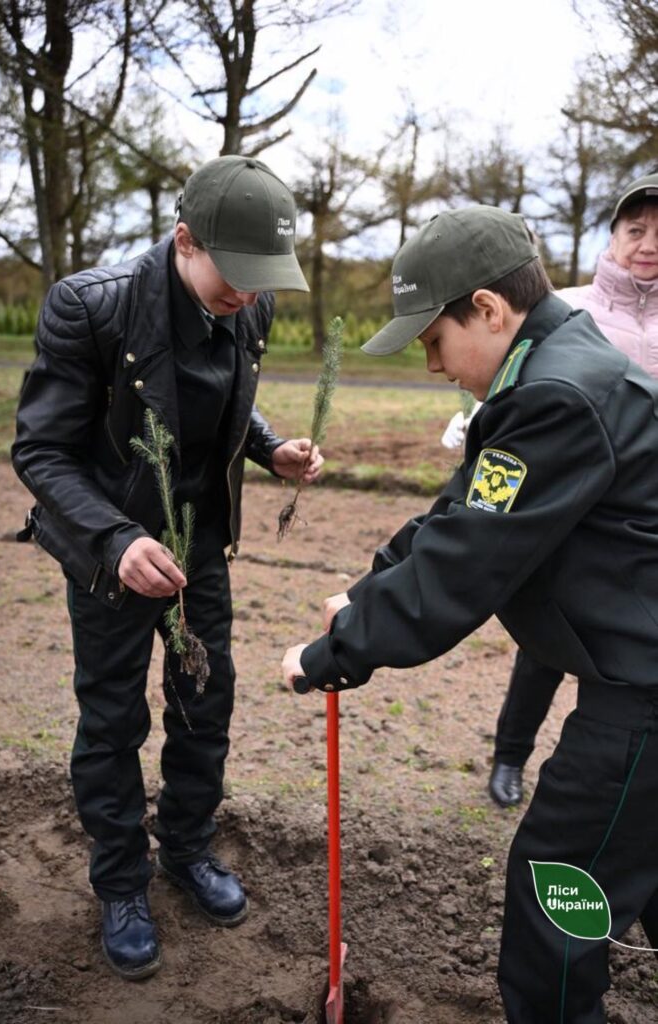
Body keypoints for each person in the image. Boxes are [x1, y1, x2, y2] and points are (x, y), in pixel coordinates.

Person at [282, 204, 658, 1024]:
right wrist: (369, 583)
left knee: (559, 877)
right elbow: (461, 511)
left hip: (645, 691)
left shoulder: (556, 392)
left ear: (486, 310)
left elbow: (466, 567)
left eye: (431, 340)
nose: (429, 365)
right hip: (635, 670)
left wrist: (331, 651)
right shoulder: (554, 367)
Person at [12, 155, 323, 980]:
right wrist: (115, 540)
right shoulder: (93, 306)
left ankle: (185, 850)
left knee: (203, 705)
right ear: (184, 240)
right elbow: (40, 449)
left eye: (264, 281)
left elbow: (220, 395)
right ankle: (120, 883)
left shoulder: (242, 307)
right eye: (237, 276)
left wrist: (267, 446)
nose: (249, 298)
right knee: (112, 722)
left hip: (199, 549)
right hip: (111, 555)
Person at [481, 170, 658, 808]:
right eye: (635, 229)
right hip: (565, 505)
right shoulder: (573, 308)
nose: (647, 243)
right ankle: (510, 756)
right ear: (612, 236)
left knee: (629, 647)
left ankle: (617, 771)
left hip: (640, 516)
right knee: (548, 636)